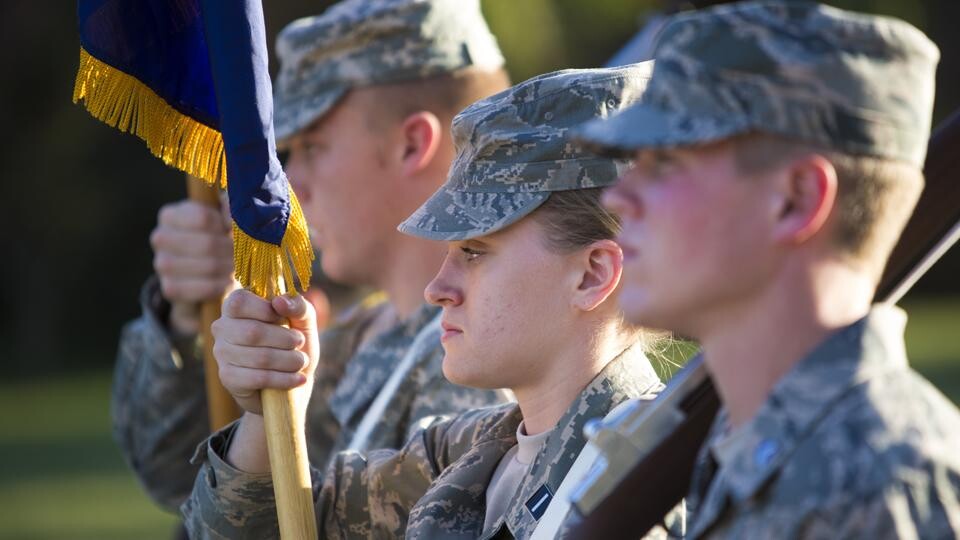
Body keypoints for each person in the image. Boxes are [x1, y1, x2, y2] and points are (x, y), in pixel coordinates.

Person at [181, 64, 675, 539]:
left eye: (476, 252)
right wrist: (267, 407)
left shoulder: (652, 484)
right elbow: (263, 529)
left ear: (592, 275)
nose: (437, 288)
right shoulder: (465, 452)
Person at [571, 1, 960, 538]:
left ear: (795, 200)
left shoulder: (890, 487)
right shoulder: (735, 441)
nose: (618, 198)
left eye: (665, 163)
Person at [111, 0, 512, 514]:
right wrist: (188, 319)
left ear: (412, 144)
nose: (290, 185)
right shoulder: (359, 339)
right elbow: (178, 477)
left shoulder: (480, 363)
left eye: (313, 148)